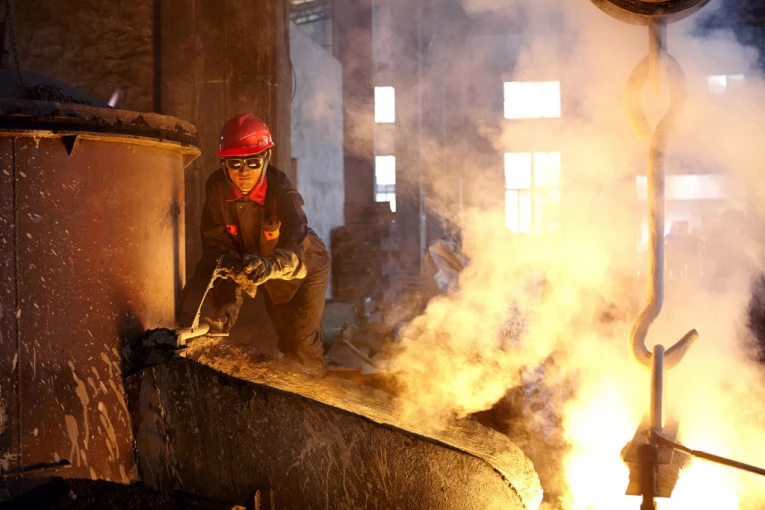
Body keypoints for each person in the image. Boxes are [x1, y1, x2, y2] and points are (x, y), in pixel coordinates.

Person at [182, 112, 330, 370]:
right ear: (223, 162)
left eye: (252, 162)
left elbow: (295, 236)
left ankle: (317, 387)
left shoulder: (281, 190)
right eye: (234, 163)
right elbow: (220, 254)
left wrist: (271, 266)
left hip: (307, 267)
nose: (243, 172)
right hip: (267, 276)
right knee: (287, 342)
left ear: (266, 158)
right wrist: (225, 310)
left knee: (303, 345)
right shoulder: (217, 190)